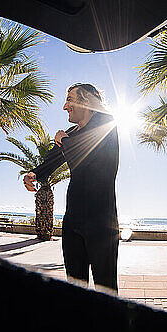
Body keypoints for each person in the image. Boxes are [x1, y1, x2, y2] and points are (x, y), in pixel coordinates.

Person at [23, 83, 120, 292]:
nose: (65, 106)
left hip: (101, 223)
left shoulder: (107, 125)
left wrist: (65, 141)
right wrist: (35, 174)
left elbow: (88, 153)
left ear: (85, 101)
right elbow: (51, 161)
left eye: (69, 99)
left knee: (106, 289)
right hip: (73, 221)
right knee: (75, 287)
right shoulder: (69, 134)